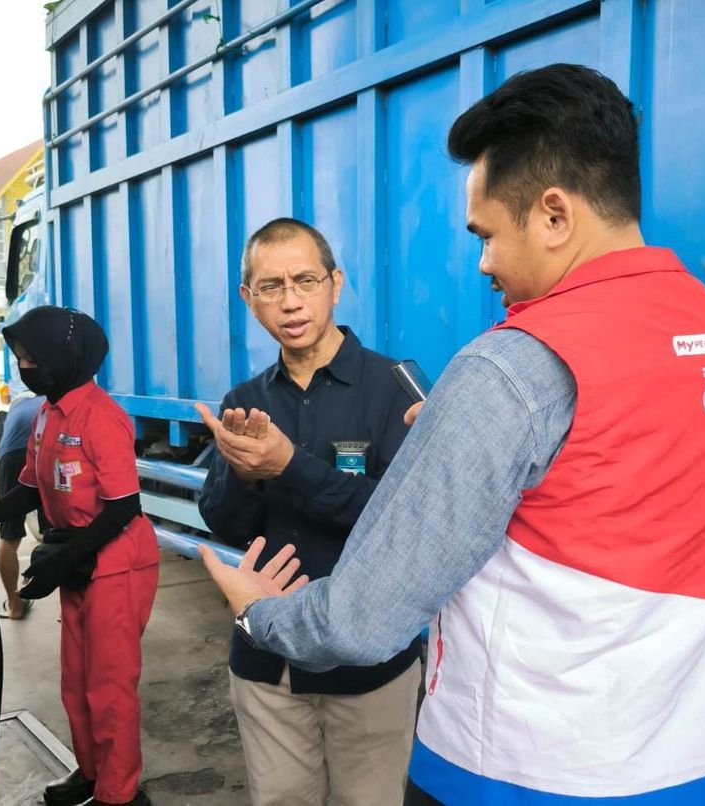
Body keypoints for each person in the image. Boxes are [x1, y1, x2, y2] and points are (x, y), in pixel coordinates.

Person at [197, 64, 705, 805]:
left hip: (524, 773)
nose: (484, 263)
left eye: (487, 234)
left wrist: (256, 610)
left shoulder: (512, 365)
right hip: (696, 761)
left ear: (554, 215)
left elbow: (362, 620)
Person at [196, 217, 421, 806]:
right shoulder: (244, 402)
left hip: (369, 660)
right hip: (268, 660)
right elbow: (225, 522)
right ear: (249, 299)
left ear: (335, 284)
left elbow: (402, 521)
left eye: (305, 280)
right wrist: (244, 475)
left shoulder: (395, 389)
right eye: (270, 287)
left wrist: (289, 465)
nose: (291, 302)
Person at [0, 306, 160, 806]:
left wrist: (62, 563)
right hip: (77, 558)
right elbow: (27, 491)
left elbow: (124, 508)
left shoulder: (102, 417)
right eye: (19, 358)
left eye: (31, 358)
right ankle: (90, 773)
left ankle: (119, 794)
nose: (24, 367)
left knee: (109, 689)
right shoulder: (46, 412)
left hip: (116, 563)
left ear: (62, 358)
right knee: (77, 683)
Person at [0, 372, 45, 619]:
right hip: (43, 451)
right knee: (58, 534)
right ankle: (69, 611)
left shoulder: (17, 404)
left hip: (9, 457)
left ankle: (15, 606)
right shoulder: (58, 399)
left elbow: (1, 443)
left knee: (9, 536)